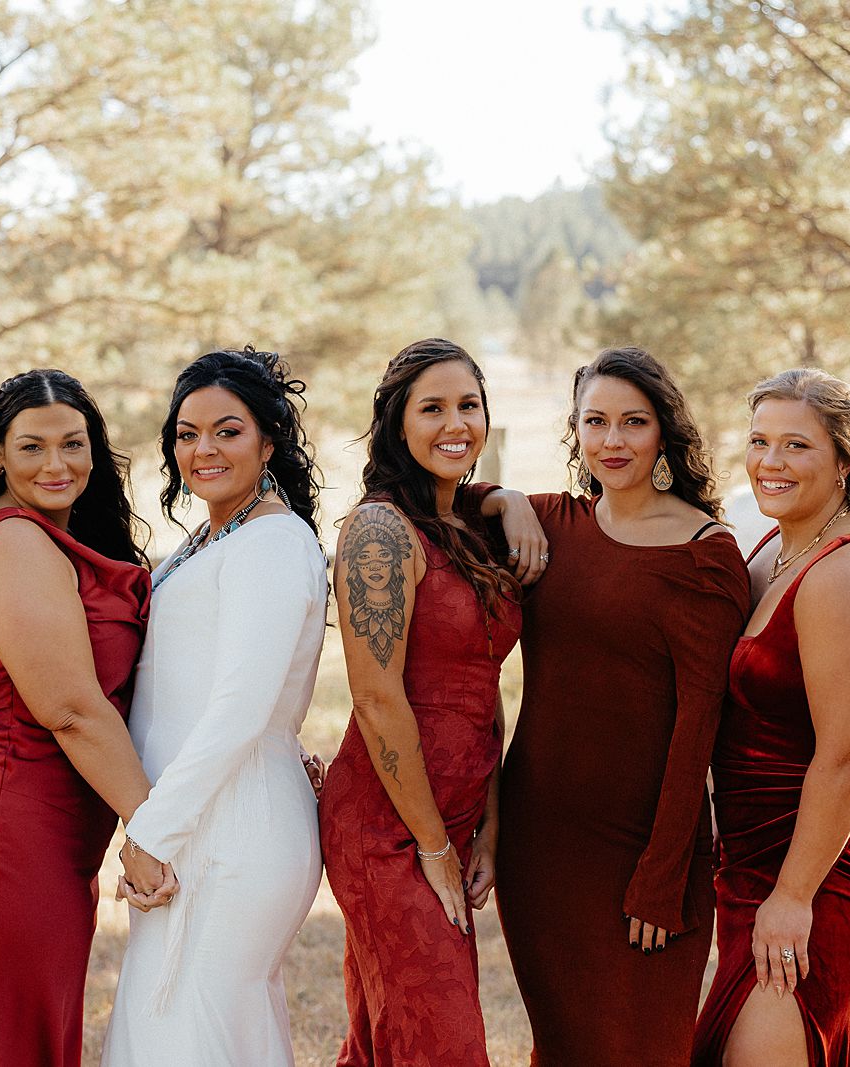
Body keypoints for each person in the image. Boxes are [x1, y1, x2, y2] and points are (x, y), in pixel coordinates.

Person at [471, 346, 751, 1065]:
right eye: (596, 421)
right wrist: (501, 498)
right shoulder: (547, 526)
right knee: (564, 1045)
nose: (614, 440)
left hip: (647, 850)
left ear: (664, 432)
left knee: (643, 1048)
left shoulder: (705, 553)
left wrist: (661, 878)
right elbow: (429, 497)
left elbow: (699, 730)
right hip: (541, 847)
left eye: (634, 421)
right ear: (575, 430)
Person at [0, 370, 169, 1067]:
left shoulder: (58, 538)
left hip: (51, 835)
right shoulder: (14, 539)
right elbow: (71, 709)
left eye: (73, 444)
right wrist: (156, 825)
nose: (57, 464)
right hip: (9, 834)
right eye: (33, 447)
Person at [101, 348, 327, 1066]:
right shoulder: (210, 536)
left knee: (188, 1028)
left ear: (269, 440)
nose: (203, 449)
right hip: (194, 819)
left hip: (230, 826)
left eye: (227, 431)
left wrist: (152, 831)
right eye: (187, 432)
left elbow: (240, 708)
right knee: (198, 1030)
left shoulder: (273, 543)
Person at [692, 368, 850, 1067]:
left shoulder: (848, 572)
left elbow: (849, 756)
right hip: (759, 853)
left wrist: (794, 896)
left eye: (797, 446)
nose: (770, 461)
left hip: (833, 857)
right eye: (759, 441)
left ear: (843, 461)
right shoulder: (776, 546)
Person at [318, 338, 523, 1066]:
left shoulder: (470, 526)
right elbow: (377, 701)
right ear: (396, 424)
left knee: (388, 1039)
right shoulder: (379, 530)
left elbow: (483, 689)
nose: (454, 423)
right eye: (431, 407)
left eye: (468, 405)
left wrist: (489, 828)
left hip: (456, 819)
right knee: (443, 1044)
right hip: (386, 826)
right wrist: (433, 845)